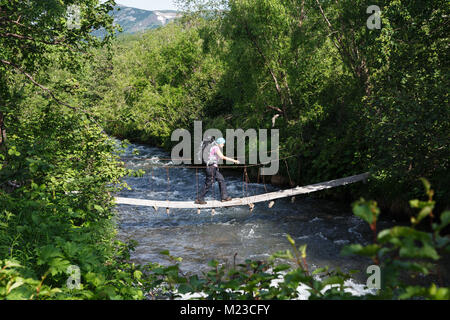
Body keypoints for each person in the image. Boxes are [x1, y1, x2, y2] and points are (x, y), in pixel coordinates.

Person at [195, 137, 240, 204]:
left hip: (213, 168)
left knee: (221, 180)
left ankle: (224, 197)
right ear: (220, 143)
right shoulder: (215, 148)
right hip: (211, 168)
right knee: (208, 184)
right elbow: (222, 157)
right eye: (223, 143)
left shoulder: (213, 147)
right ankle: (199, 198)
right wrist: (234, 161)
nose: (223, 145)